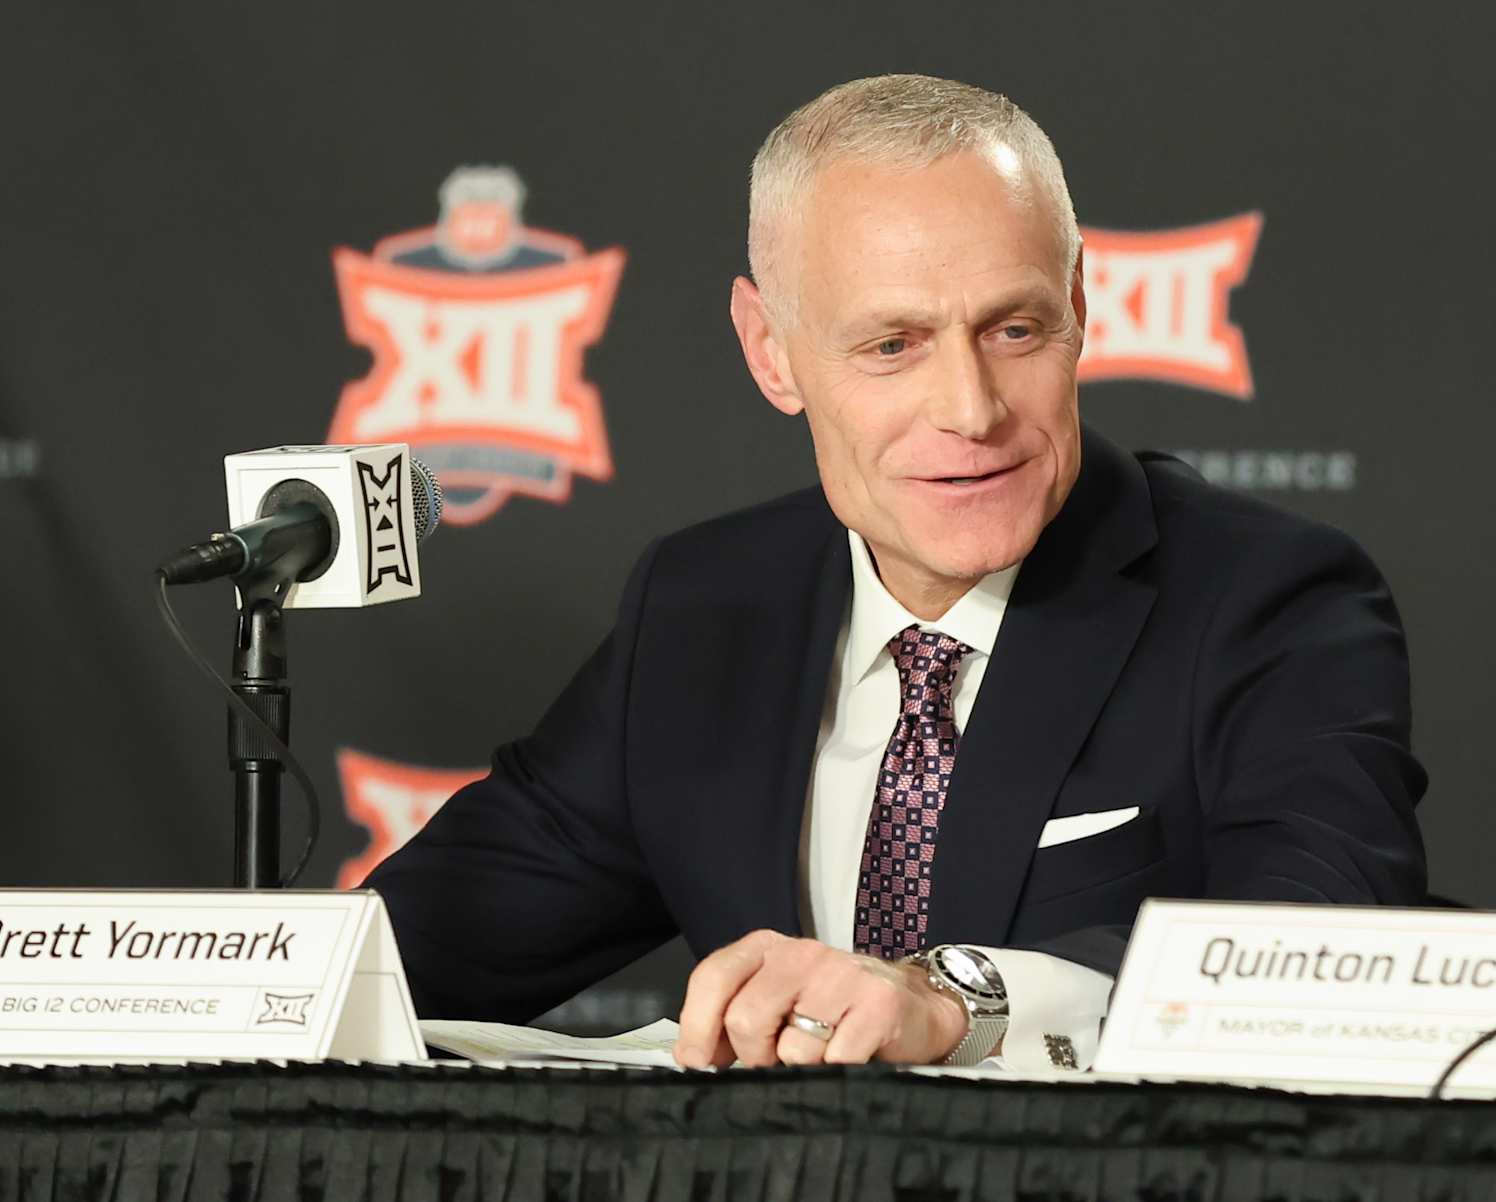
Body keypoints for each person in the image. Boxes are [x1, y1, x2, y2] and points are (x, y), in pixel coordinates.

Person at [366, 74, 1428, 1072]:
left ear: (1079, 305)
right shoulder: (702, 608)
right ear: (771, 351)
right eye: (892, 345)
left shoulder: (1264, 597)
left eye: (1014, 328)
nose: (971, 408)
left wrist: (958, 999)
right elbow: (399, 957)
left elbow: (1321, 947)